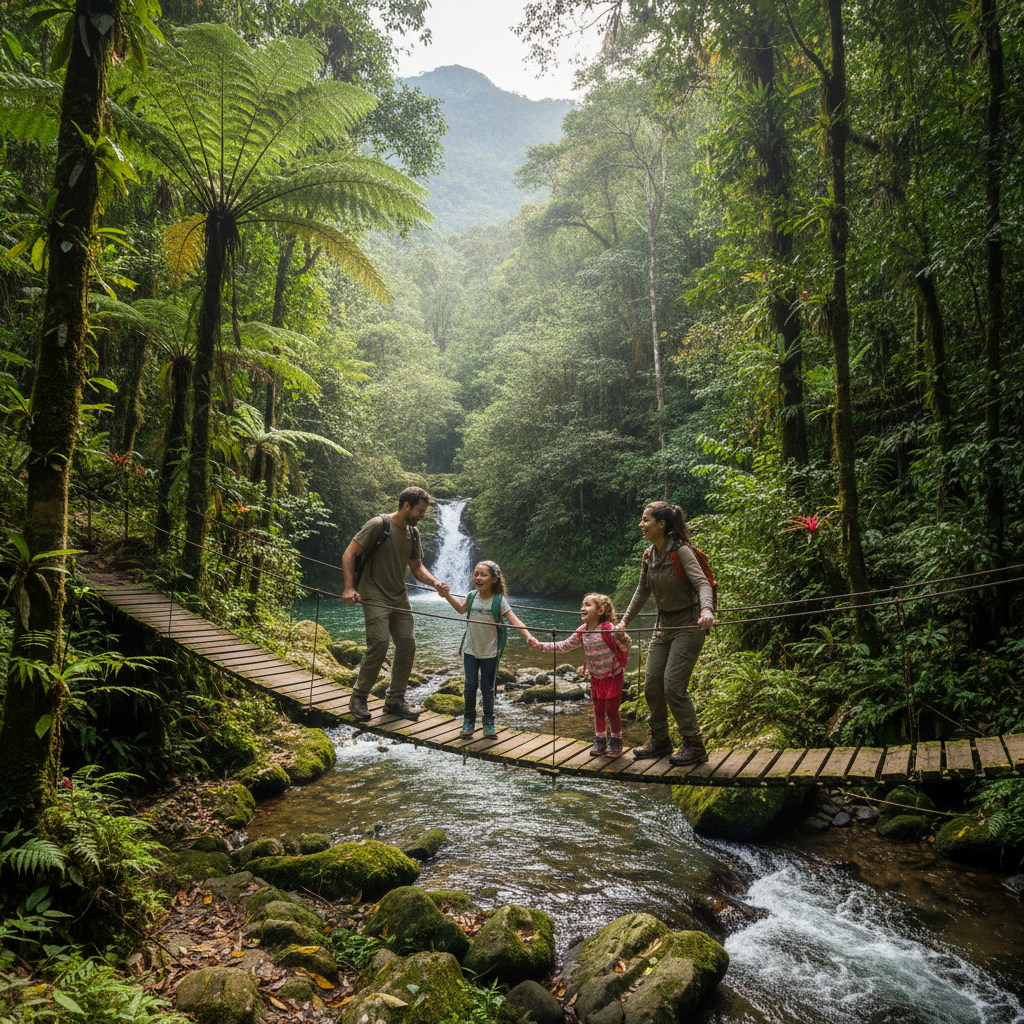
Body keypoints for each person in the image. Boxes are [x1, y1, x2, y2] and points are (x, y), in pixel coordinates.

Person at [614, 502, 715, 766]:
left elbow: (702, 582)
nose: (641, 524)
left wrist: (706, 610)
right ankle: (660, 740)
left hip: (689, 625)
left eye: (646, 520)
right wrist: (623, 621)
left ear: (662, 525)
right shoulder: (649, 555)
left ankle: (694, 745)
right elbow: (642, 591)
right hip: (663, 626)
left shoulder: (680, 552)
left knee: (673, 685)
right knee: (651, 685)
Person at [342, 486, 447, 721]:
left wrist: (435, 583)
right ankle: (358, 697)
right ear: (406, 505)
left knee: (408, 644)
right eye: (420, 511)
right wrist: (349, 588)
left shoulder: (413, 533)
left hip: (399, 596)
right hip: (374, 593)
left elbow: (417, 567)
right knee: (379, 643)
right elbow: (349, 554)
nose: (423, 515)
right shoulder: (379, 525)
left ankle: (394, 701)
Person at [438, 561, 535, 738]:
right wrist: (447, 595)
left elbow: (515, 621)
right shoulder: (472, 596)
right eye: (476, 574)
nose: (478, 578)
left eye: (483, 574)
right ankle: (468, 721)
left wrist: (528, 636)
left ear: (494, 580)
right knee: (469, 685)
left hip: (490, 653)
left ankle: (489, 722)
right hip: (470, 651)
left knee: (488, 688)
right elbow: (461, 609)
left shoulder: (499, 601)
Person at [529, 593, 632, 757]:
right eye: (582, 605)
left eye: (588, 605)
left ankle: (616, 742)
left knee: (612, 710)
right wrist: (540, 646)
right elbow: (564, 646)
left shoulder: (608, 628)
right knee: (598, 709)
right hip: (596, 677)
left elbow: (627, 643)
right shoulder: (581, 632)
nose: (582, 608)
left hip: (613, 676)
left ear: (600, 611)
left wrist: (622, 634)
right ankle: (600, 741)